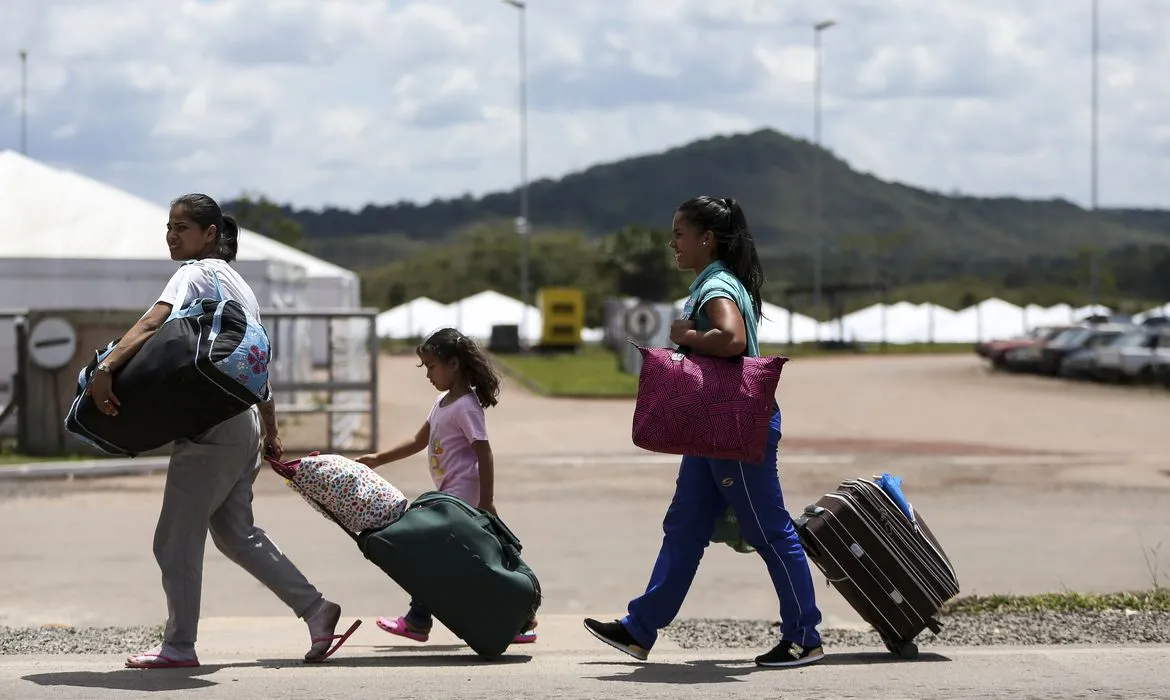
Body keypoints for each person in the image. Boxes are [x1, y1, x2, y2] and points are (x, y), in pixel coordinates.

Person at [87, 193, 359, 669]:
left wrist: (104, 368)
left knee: (173, 539)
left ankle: (178, 646)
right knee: (236, 534)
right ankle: (317, 610)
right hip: (242, 423)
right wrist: (270, 428)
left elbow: (153, 323)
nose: (172, 236)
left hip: (212, 427)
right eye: (169, 227)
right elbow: (255, 362)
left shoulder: (193, 273)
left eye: (182, 228)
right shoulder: (241, 286)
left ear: (209, 234)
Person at [583, 195, 825, 668]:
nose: (672, 242)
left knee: (770, 530)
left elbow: (731, 339)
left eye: (679, 234)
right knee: (685, 525)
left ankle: (804, 636)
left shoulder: (716, 286)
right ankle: (640, 629)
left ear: (706, 238)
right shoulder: (714, 282)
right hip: (710, 428)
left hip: (732, 427)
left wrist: (686, 336)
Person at [357, 327, 537, 644]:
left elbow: (485, 452)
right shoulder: (442, 402)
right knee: (457, 563)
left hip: (462, 500)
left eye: (431, 366)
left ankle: (419, 620)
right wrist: (377, 459)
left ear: (453, 363)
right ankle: (517, 621)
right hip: (449, 497)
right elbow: (418, 441)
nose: (428, 374)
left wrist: (487, 501)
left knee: (433, 555)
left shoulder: (466, 406)